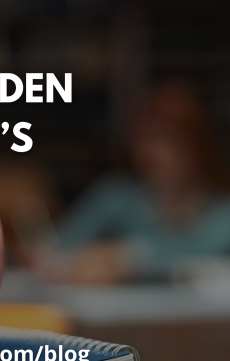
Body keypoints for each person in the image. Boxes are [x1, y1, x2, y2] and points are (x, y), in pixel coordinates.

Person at [34, 80, 230, 284]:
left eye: (165, 138)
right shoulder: (116, 196)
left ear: (197, 144)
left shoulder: (223, 215)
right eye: (142, 139)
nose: (148, 151)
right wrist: (80, 263)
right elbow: (52, 252)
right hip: (117, 313)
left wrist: (132, 259)